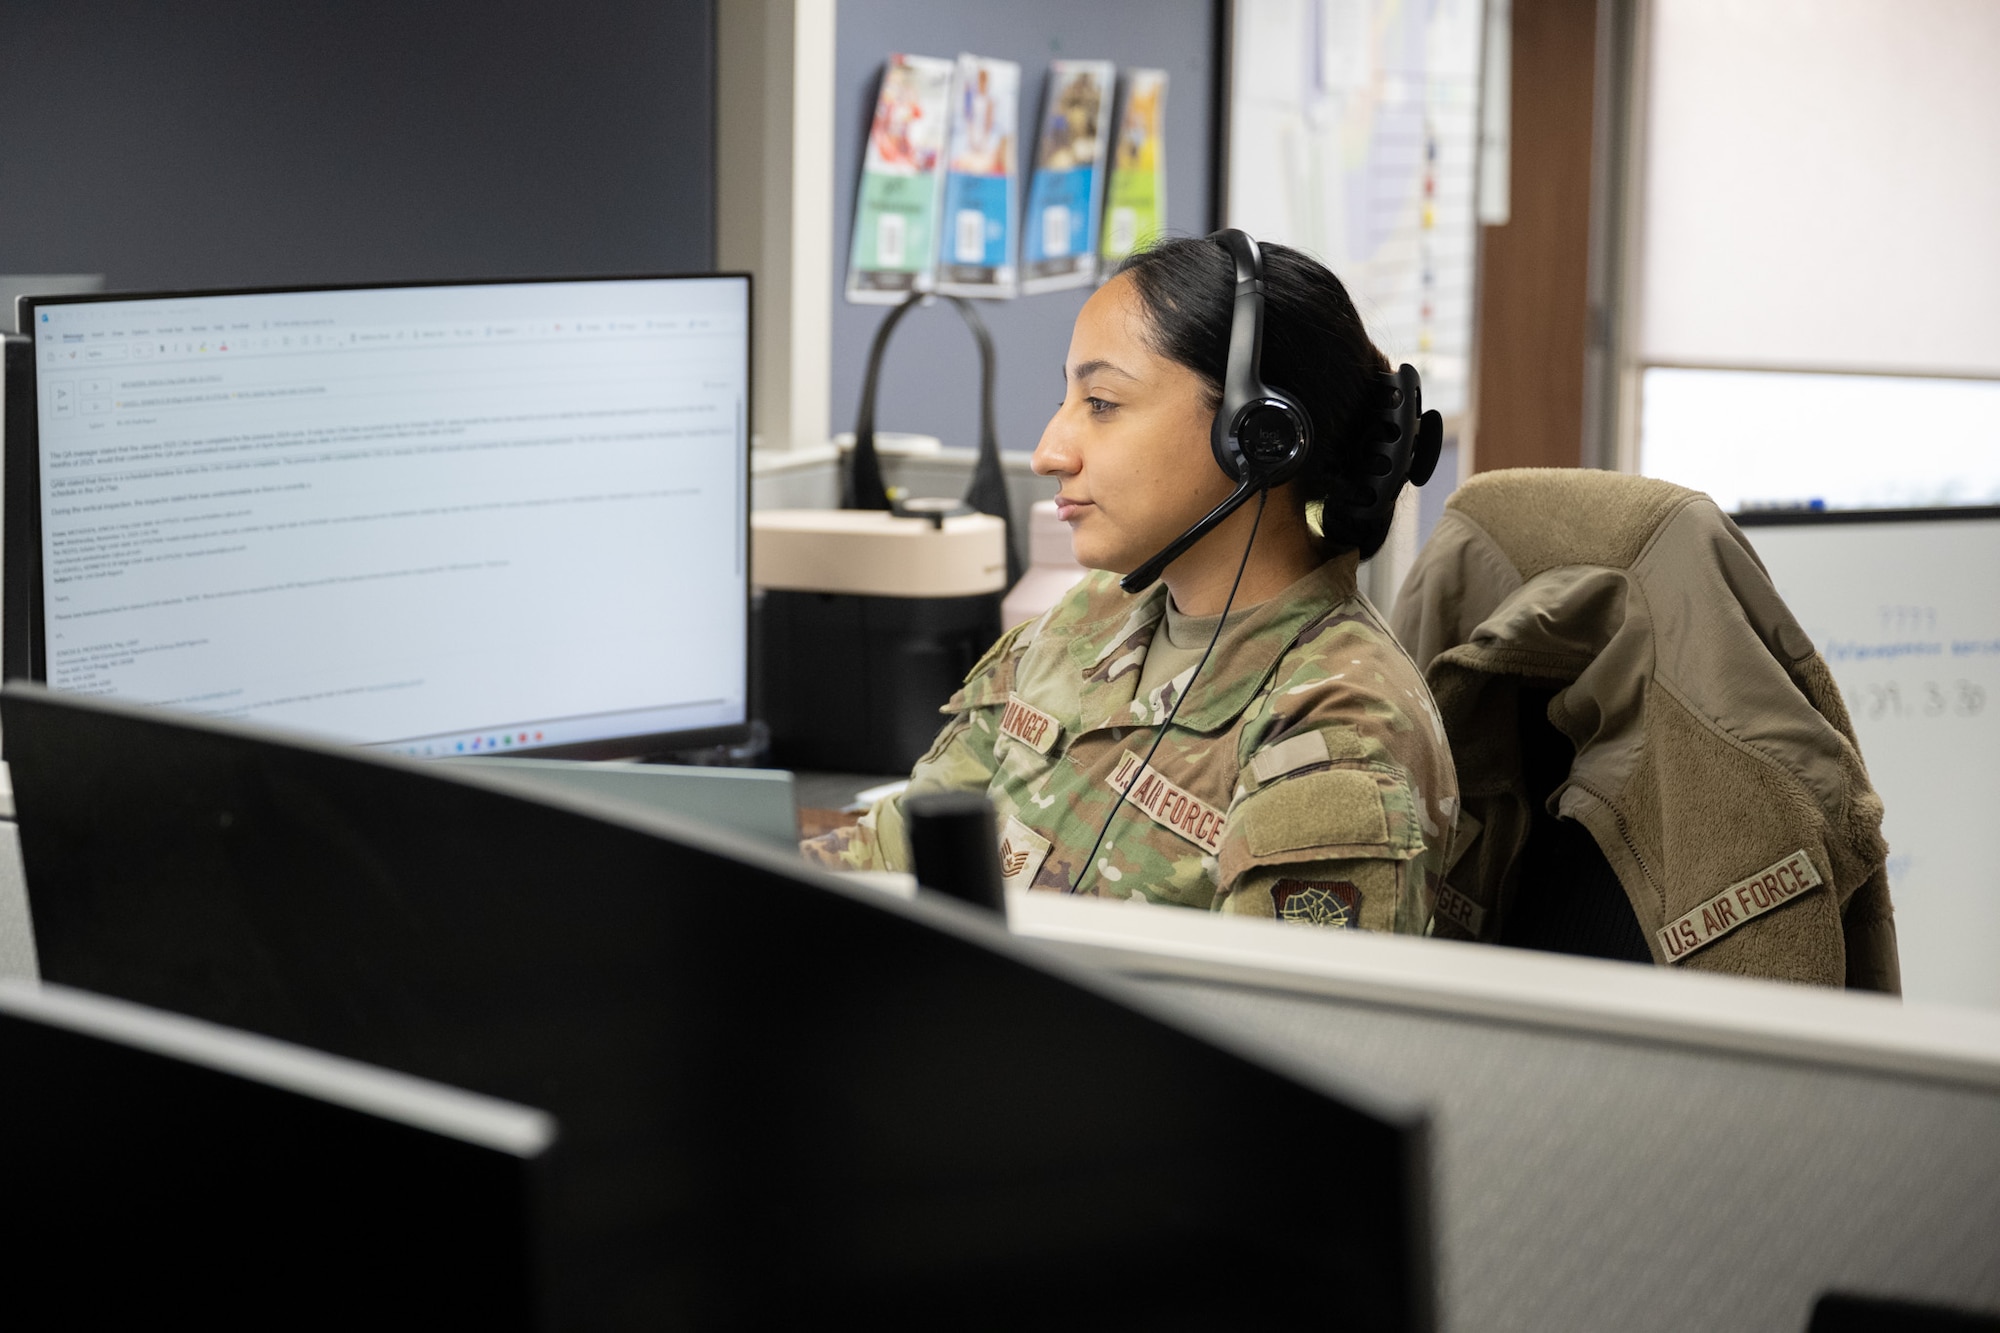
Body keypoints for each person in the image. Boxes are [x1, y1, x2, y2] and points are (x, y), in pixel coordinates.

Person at [803, 233, 1458, 932]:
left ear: (1256, 436)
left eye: (1103, 403)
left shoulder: (1339, 730)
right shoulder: (1087, 620)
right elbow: (893, 849)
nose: (1050, 451)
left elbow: (1268, 1029)